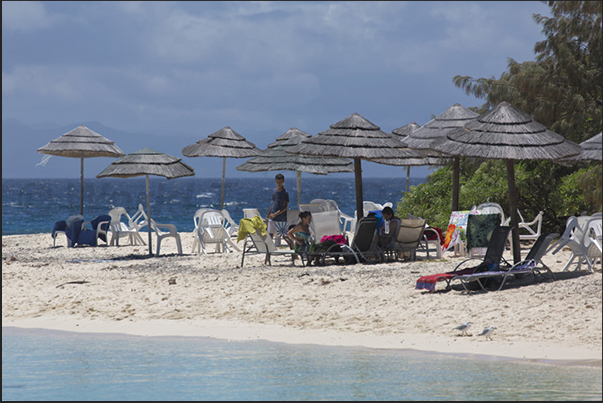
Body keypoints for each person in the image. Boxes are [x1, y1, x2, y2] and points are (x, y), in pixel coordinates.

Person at [266, 173, 289, 245]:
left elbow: (285, 207)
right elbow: (273, 203)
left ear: (283, 182)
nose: (279, 183)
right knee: (270, 235)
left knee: (285, 236)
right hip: (272, 217)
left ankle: (293, 252)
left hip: (281, 218)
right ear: (275, 181)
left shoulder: (285, 193)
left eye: (280, 182)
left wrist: (275, 214)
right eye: (277, 182)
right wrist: (268, 214)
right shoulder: (274, 191)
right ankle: (269, 252)